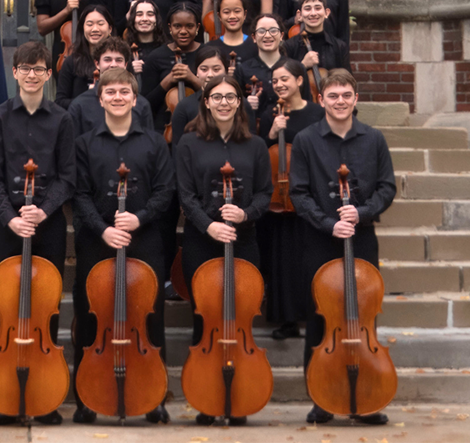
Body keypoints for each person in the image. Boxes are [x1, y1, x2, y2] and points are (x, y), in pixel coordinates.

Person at [288, 70, 395, 426]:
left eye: (346, 95)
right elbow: (298, 194)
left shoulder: (374, 139)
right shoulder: (305, 140)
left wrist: (361, 212)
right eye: (332, 96)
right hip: (320, 241)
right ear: (321, 100)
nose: (339, 101)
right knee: (321, 322)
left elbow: (386, 188)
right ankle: (322, 398)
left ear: (356, 98)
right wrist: (328, 222)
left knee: (364, 317)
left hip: (361, 238)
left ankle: (366, 397)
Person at [69, 68, 174, 425]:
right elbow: (79, 194)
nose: (117, 97)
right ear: (100, 99)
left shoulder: (155, 142)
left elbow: (165, 191)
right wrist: (103, 230)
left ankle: (154, 396)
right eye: (110, 92)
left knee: (150, 316)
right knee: (88, 316)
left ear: (135, 98)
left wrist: (139, 218)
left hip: (143, 240)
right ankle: (85, 397)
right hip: (96, 242)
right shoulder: (84, 143)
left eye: (123, 92)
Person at [0, 41, 78, 426]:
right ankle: (5, 398)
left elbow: (68, 177)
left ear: (48, 74)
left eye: (39, 68)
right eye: (26, 68)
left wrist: (42, 210)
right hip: (10, 226)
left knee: (45, 307)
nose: (33, 74)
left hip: (48, 224)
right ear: (16, 72)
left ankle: (45, 396)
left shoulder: (62, 119)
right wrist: (11, 217)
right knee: (8, 308)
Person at [173, 74, 273, 426]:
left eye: (231, 97)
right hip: (203, 241)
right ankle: (206, 398)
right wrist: (209, 224)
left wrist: (245, 214)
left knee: (240, 318)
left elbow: (265, 193)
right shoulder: (188, 143)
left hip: (244, 242)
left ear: (240, 102)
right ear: (205, 101)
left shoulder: (256, 145)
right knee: (206, 320)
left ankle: (241, 394)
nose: (225, 103)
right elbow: (185, 194)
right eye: (218, 97)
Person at [255, 58, 324, 340]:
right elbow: (259, 153)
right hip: (279, 198)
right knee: (283, 260)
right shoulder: (272, 115)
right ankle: (288, 320)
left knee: (309, 258)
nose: (280, 84)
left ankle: (314, 316)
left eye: (285, 79)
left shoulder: (318, 113)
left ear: (299, 81)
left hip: (309, 193)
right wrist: (271, 133)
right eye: (275, 81)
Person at [65, 37, 153, 135]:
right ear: (97, 64)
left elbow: (149, 143)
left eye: (119, 60)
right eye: (107, 60)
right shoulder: (79, 105)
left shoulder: (142, 104)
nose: (113, 65)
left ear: (125, 64)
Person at [141, 2, 204, 132]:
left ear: (197, 27)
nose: (183, 31)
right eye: (177, 26)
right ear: (170, 28)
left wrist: (192, 78)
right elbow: (145, 104)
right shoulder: (156, 56)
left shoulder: (207, 53)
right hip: (165, 128)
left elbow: (218, 93)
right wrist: (167, 81)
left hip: (201, 126)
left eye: (189, 26)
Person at [283, 0, 350, 102]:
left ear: (326, 13)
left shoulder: (339, 46)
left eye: (318, 8)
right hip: (300, 107)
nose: (313, 13)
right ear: (300, 15)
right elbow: (283, 82)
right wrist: (302, 65)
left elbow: (348, 82)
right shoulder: (289, 46)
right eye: (308, 9)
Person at [54, 5, 113, 105]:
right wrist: (87, 99)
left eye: (100, 24)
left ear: (110, 29)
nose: (95, 29)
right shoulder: (71, 62)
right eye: (89, 24)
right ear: (82, 28)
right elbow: (60, 101)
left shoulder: (118, 61)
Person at [208, 0, 258, 66]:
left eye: (237, 11)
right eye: (226, 12)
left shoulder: (256, 46)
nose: (232, 16)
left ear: (245, 14)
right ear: (219, 16)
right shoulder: (210, 47)